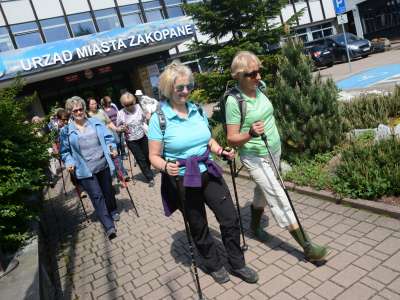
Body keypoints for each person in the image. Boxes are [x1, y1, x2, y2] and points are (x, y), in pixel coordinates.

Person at [148, 62, 258, 284]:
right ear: (169, 89)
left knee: (229, 218)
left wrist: (220, 150)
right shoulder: (159, 119)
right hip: (183, 178)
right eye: (180, 88)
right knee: (198, 226)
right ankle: (213, 264)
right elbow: (153, 156)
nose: (186, 91)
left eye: (189, 86)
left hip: (208, 171)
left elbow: (207, 139)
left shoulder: (197, 109)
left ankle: (237, 263)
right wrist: (164, 166)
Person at [225, 51, 328, 261]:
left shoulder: (260, 89)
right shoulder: (234, 102)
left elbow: (268, 115)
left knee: (263, 190)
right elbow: (231, 139)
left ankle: (254, 226)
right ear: (239, 76)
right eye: (252, 74)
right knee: (278, 195)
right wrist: (250, 133)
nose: (259, 77)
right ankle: (307, 247)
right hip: (254, 155)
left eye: (259, 71)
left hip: (274, 150)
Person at [60, 96, 119, 240]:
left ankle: (112, 209)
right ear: (70, 112)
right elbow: (65, 152)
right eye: (75, 111)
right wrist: (69, 161)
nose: (79, 112)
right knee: (97, 196)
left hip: (103, 164)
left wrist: (112, 148)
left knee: (107, 191)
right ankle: (109, 226)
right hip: (85, 170)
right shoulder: (66, 131)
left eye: (81, 109)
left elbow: (108, 138)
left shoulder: (95, 122)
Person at [117, 92, 155, 187]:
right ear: (122, 104)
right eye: (126, 105)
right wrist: (122, 128)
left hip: (143, 136)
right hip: (131, 140)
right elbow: (118, 127)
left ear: (134, 101)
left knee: (147, 155)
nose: (129, 106)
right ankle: (149, 177)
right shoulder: (121, 113)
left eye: (131, 103)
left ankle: (147, 169)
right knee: (140, 158)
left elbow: (148, 115)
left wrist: (148, 117)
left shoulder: (139, 107)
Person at [101, 96, 129, 181]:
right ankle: (120, 172)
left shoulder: (113, 106)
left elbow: (118, 113)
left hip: (117, 127)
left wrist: (120, 125)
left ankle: (121, 162)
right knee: (115, 151)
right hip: (110, 131)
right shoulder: (102, 110)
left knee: (120, 145)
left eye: (110, 101)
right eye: (108, 101)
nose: (110, 102)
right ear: (105, 102)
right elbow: (107, 121)